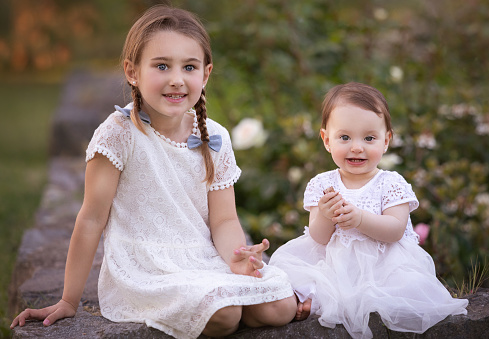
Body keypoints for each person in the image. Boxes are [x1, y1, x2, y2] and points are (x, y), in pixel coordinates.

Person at [10, 5, 297, 339]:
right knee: (226, 313)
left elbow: (224, 221)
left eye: (189, 67)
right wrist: (68, 300)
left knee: (281, 308)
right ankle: (221, 305)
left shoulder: (214, 137)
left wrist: (236, 260)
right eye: (162, 65)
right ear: (132, 71)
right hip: (144, 265)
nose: (176, 79)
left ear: (205, 74)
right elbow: (90, 218)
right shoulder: (119, 133)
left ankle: (231, 296)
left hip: (199, 256)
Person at [269, 82, 468, 338]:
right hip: (334, 261)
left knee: (398, 288)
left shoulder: (391, 183)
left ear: (386, 141)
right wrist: (326, 216)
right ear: (326, 139)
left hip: (384, 263)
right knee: (308, 275)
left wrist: (360, 219)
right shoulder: (322, 184)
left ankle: (325, 303)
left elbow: (395, 229)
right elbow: (318, 238)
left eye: (369, 138)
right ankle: (318, 301)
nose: (357, 147)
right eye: (344, 137)